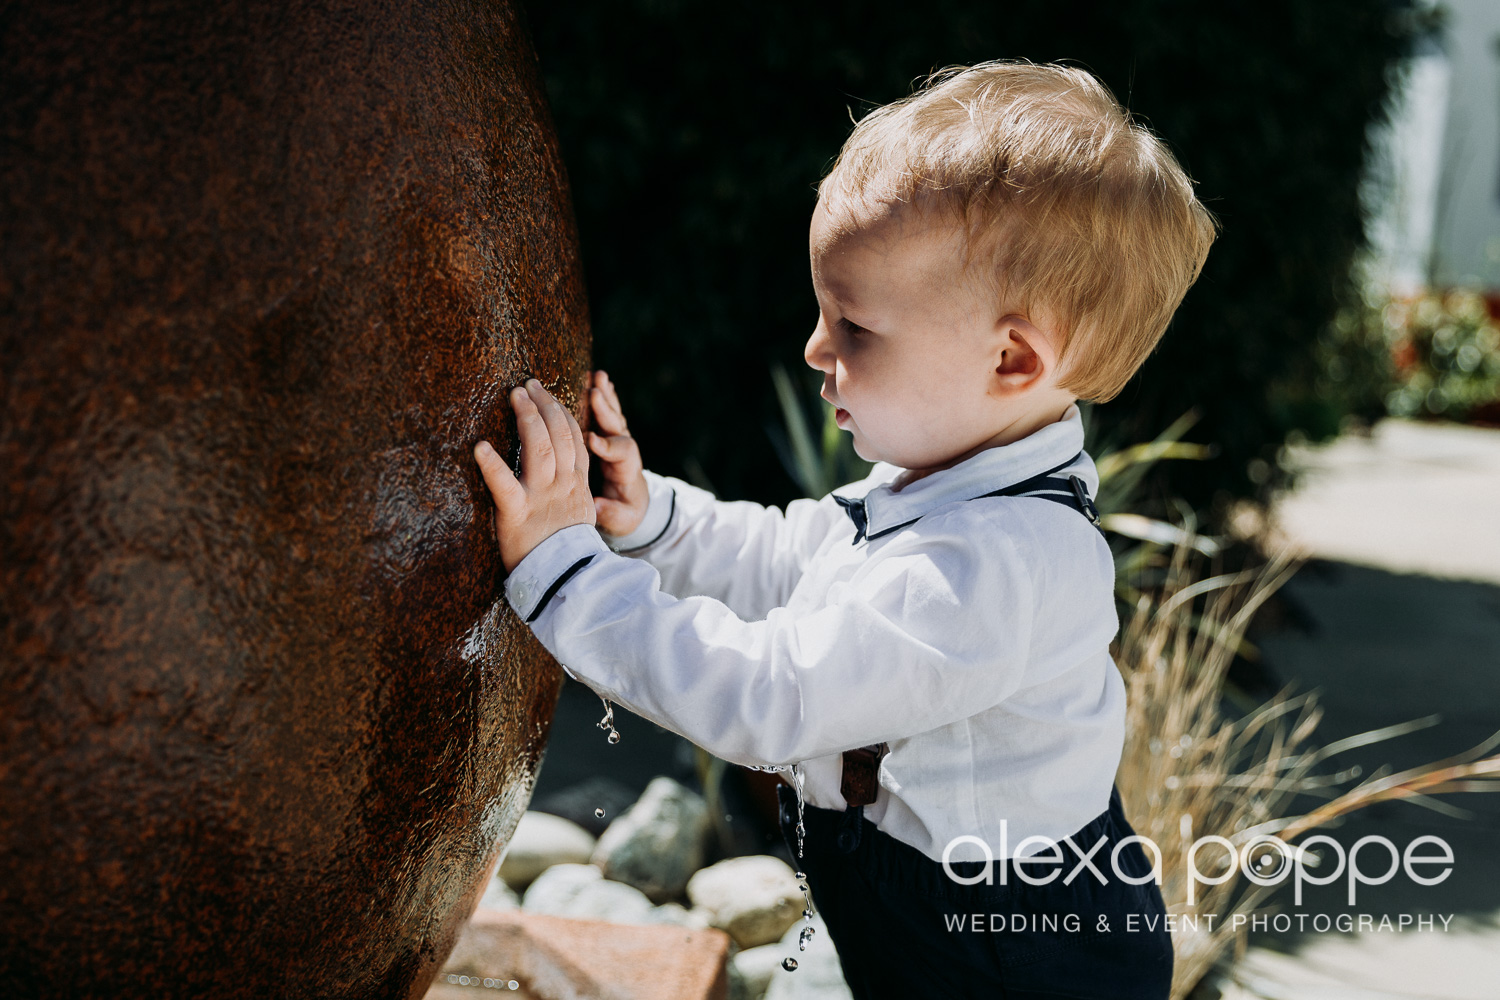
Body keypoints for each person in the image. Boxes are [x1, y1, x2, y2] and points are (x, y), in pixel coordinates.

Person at [473, 59, 1215, 1000]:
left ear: (1013, 358)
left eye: (854, 327)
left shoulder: (998, 568)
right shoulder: (940, 484)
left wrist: (564, 575)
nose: (817, 350)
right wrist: (653, 520)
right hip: (929, 921)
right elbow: (795, 559)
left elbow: (769, 693)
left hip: (1015, 963)